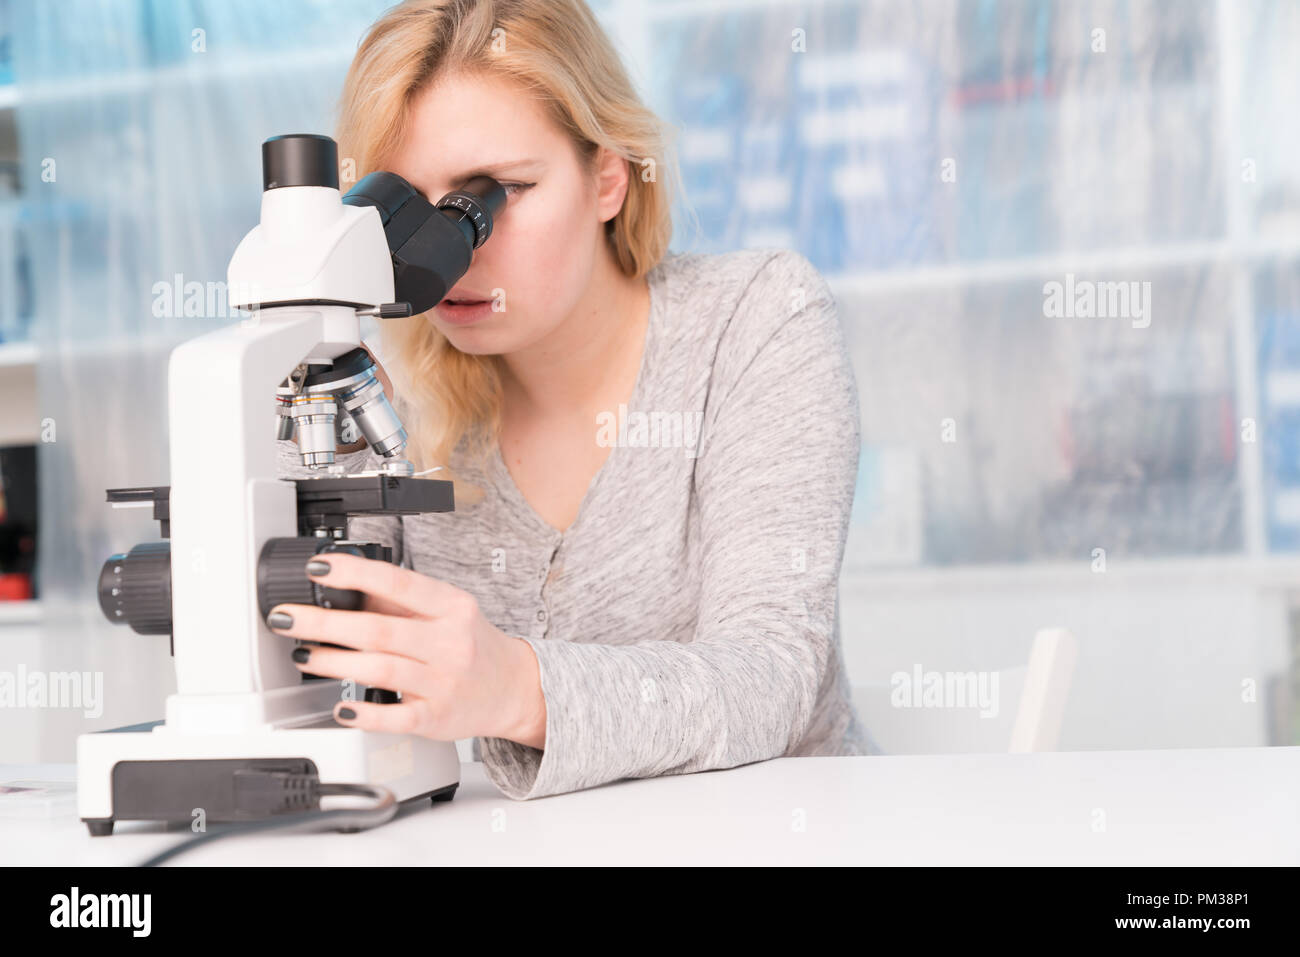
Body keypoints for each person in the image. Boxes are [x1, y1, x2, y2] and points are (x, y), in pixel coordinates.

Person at [272, 0, 874, 801]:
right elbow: (325, 663)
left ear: (607, 179)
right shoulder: (383, 394)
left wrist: (516, 686)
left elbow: (770, 674)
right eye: (410, 208)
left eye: (494, 196)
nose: (449, 255)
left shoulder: (756, 320)